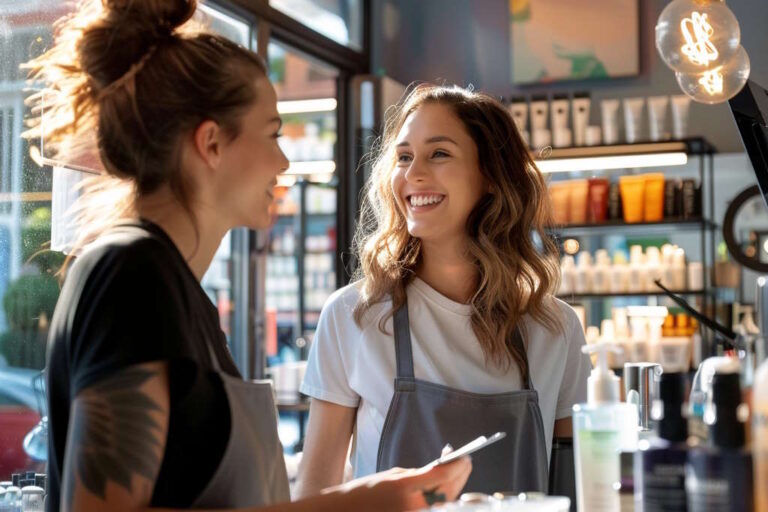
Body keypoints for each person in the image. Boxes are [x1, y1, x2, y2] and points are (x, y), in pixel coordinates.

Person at [29, 1, 470, 511]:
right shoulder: (132, 273)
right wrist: (356, 505)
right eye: (272, 133)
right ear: (212, 144)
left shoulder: (174, 286)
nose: (283, 160)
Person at [297, 84, 592, 497]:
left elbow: (578, 490)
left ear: (490, 175)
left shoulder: (555, 327)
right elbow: (315, 497)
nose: (413, 174)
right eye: (403, 157)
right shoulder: (355, 316)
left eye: (439, 153)